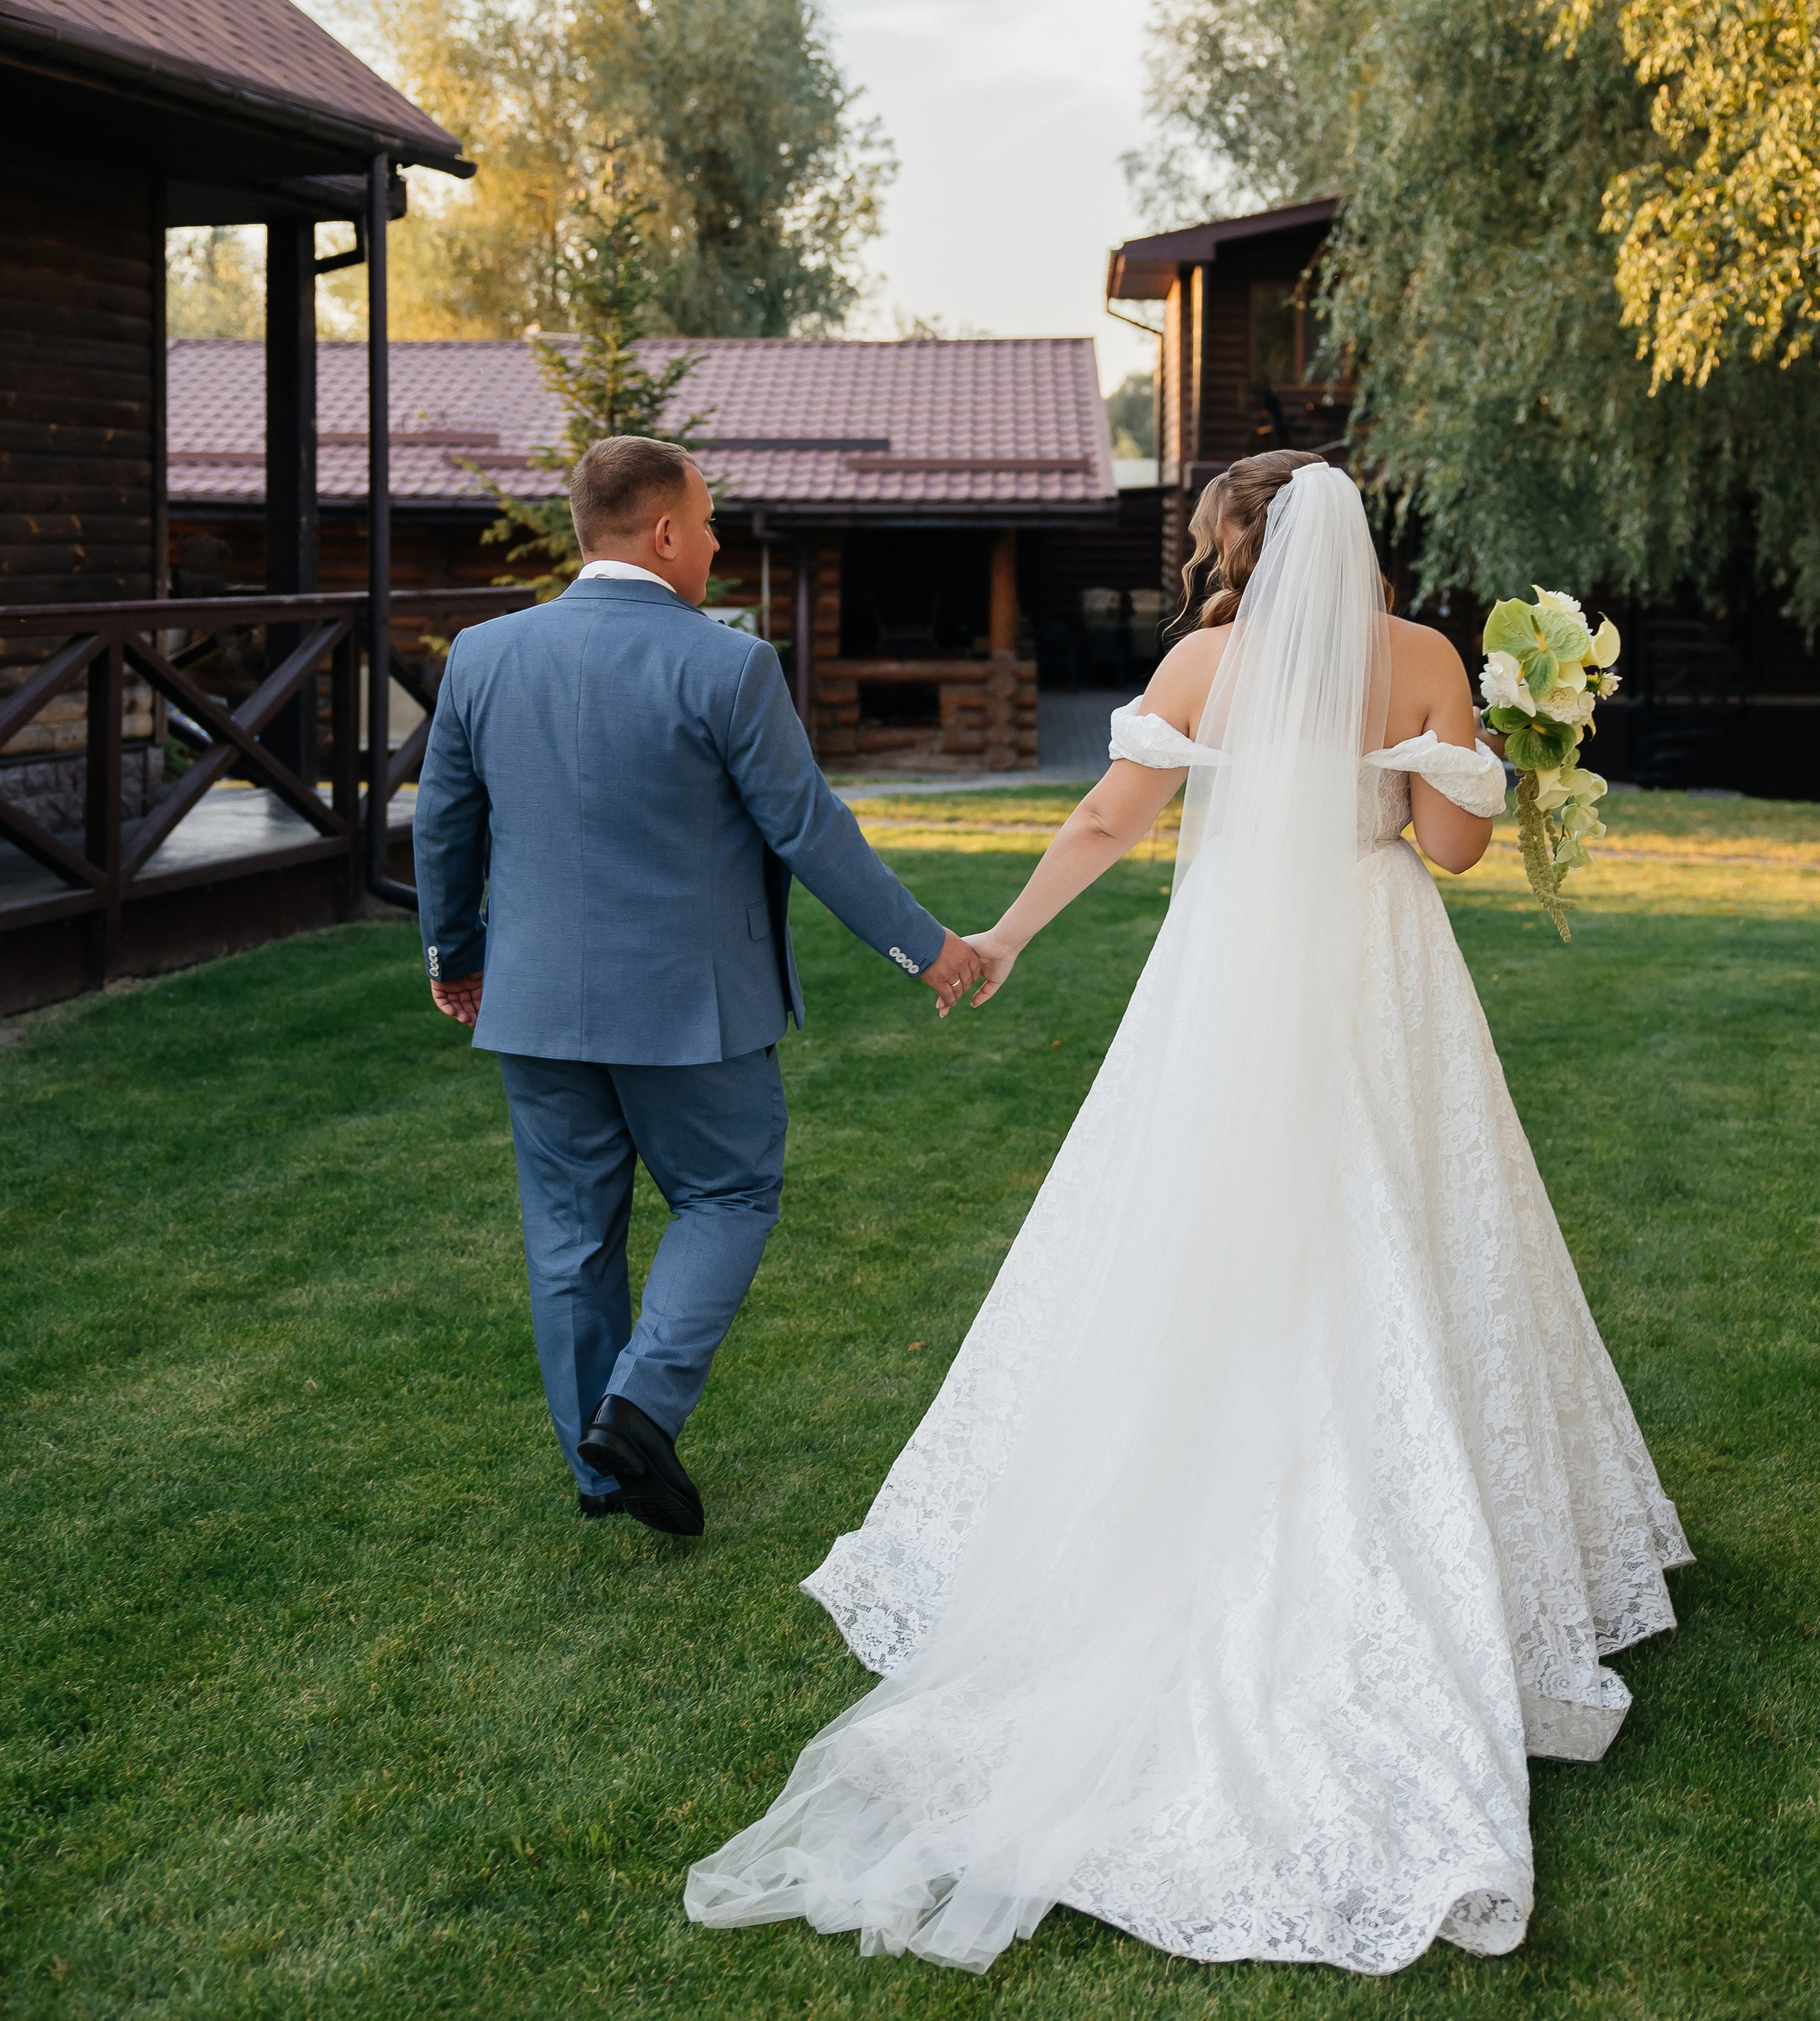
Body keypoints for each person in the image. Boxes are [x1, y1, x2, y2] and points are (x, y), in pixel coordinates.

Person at [686, 452, 1688, 1974]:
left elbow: (1104, 815)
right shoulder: (1418, 658)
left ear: (1233, 542)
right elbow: (1450, 849)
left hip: (1222, 983)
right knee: (1413, 1238)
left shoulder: (1200, 664)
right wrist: (1513, 752)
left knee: (1187, 1231)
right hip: (1378, 977)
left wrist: (1005, 937)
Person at [411, 434, 983, 1538]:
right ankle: (635, 1413)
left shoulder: (484, 655)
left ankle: (603, 1474)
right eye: (710, 520)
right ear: (664, 532)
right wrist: (928, 945)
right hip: (691, 1011)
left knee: (572, 1234)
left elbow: (443, 822)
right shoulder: (729, 664)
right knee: (728, 1196)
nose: (718, 542)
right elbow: (811, 829)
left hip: (533, 1006)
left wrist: (456, 957)